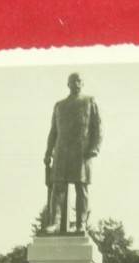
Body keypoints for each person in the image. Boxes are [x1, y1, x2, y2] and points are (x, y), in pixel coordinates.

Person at [44, 73, 102, 233]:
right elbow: (53, 131)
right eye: (72, 81)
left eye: (79, 81)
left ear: (83, 83)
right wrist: (48, 151)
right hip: (61, 151)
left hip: (82, 152)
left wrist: (94, 148)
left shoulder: (90, 101)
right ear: (67, 84)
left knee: (81, 188)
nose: (76, 83)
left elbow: (97, 127)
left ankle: (80, 223)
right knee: (57, 187)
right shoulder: (59, 106)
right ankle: (55, 222)